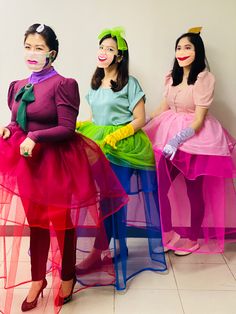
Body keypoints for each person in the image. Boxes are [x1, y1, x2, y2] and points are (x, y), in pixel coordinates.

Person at [0, 23, 128, 313]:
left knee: (62, 224)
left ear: (52, 53)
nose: (32, 53)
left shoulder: (64, 84)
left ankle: (67, 277)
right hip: (29, 163)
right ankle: (37, 281)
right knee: (35, 223)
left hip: (56, 163)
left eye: (39, 48)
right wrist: (10, 130)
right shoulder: (18, 86)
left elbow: (67, 128)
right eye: (28, 47)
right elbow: (17, 122)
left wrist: (35, 136)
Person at [76, 27, 166, 290]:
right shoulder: (94, 84)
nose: (103, 52)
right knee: (104, 198)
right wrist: (82, 125)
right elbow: (95, 119)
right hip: (101, 145)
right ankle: (115, 247)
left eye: (110, 49)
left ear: (119, 56)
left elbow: (139, 118)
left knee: (115, 199)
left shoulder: (130, 83)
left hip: (124, 147)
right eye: (101, 47)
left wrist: (121, 133)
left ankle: (99, 251)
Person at [144, 27, 236, 256]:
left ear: (198, 51)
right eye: (178, 47)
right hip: (168, 133)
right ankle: (168, 234)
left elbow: (198, 120)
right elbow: (162, 108)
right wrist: (139, 123)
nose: (182, 51)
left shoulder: (204, 78)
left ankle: (193, 238)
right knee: (159, 186)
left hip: (195, 139)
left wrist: (176, 140)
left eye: (188, 47)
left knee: (194, 191)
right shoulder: (171, 77)